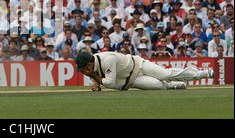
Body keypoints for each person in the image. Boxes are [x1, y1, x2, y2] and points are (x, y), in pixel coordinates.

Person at [75, 51, 214, 91]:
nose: (82, 72)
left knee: (166, 74)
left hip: (139, 65)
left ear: (88, 65)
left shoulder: (108, 59)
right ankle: (173, 85)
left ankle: (199, 74)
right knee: (160, 86)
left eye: (82, 69)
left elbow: (110, 83)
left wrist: (93, 76)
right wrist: (94, 85)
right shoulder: (92, 68)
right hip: (133, 81)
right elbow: (96, 81)